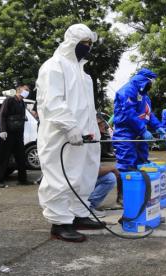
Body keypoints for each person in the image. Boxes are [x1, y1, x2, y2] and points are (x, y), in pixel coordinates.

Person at [36, 24, 105, 243]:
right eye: (84, 43)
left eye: (90, 44)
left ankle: (79, 215)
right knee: (60, 176)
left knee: (84, 175)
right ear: (71, 42)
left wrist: (94, 130)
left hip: (85, 137)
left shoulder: (84, 75)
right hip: (61, 136)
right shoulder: (54, 66)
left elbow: (88, 108)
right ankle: (60, 223)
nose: (87, 47)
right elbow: (52, 102)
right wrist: (70, 127)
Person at [113, 68, 166, 171]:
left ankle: (141, 186)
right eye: (151, 82)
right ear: (144, 80)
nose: (152, 86)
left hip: (139, 134)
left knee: (142, 163)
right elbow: (129, 113)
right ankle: (127, 187)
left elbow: (148, 113)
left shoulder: (144, 96)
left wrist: (158, 126)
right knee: (127, 165)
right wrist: (143, 130)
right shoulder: (127, 91)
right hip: (126, 133)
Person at [0, 85, 33, 188]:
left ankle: (22, 179)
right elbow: (2, 115)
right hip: (8, 133)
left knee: (21, 157)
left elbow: (22, 119)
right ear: (19, 91)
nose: (27, 92)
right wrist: (2, 130)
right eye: (26, 90)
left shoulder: (22, 103)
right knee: (4, 157)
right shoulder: (9, 100)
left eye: (28, 91)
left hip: (18, 134)